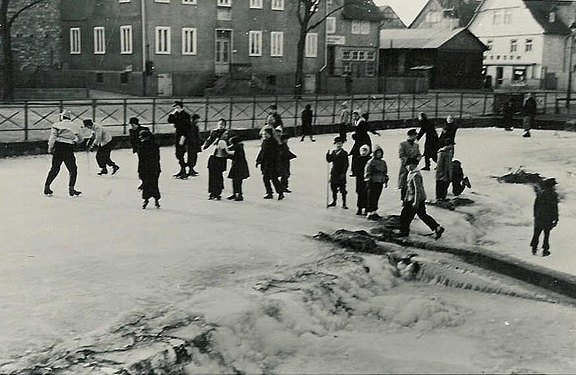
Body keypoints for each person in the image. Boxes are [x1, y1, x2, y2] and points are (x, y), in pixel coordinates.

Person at [398, 158, 445, 239]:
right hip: (414, 199)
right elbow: (408, 189)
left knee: (405, 215)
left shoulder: (416, 175)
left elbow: (417, 190)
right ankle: (437, 228)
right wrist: (405, 199)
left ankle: (404, 232)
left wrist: (415, 202)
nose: (407, 167)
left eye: (408, 165)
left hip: (415, 199)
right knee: (422, 215)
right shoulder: (411, 173)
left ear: (413, 165)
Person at [44, 110, 85, 197]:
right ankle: (71, 189)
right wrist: (76, 142)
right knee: (73, 169)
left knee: (55, 168)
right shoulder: (75, 126)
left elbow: (52, 138)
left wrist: (50, 148)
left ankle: (47, 187)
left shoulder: (56, 125)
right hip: (68, 148)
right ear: (70, 118)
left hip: (58, 147)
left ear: (62, 117)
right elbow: (81, 138)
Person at [530, 178, 559, 257]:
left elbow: (535, 206)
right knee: (546, 234)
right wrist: (556, 218)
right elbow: (555, 208)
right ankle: (545, 250)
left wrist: (535, 215)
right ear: (551, 186)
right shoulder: (554, 195)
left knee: (536, 233)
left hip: (539, 217)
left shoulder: (540, 194)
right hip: (548, 217)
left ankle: (534, 247)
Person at [203, 121, 229, 200]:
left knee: (218, 175)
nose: (221, 126)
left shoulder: (226, 133)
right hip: (213, 155)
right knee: (212, 175)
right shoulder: (214, 132)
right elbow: (209, 140)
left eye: (222, 125)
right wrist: (205, 146)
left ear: (225, 126)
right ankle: (211, 192)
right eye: (220, 124)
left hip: (221, 157)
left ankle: (218, 192)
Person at [256, 127, 285, 200]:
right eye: (263, 134)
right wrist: (258, 161)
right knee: (266, 178)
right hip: (266, 163)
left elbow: (275, 154)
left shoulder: (273, 142)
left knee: (274, 178)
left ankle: (280, 192)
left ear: (270, 134)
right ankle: (269, 192)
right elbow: (262, 152)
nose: (264, 135)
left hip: (272, 163)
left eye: (266, 134)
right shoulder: (265, 142)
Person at [350, 111, 380, 176]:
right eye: (353, 116)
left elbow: (368, 128)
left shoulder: (362, 122)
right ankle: (355, 170)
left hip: (363, 140)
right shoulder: (356, 122)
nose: (354, 117)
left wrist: (375, 133)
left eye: (356, 116)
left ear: (359, 116)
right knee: (356, 154)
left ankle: (362, 169)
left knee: (361, 154)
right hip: (359, 139)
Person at [137, 130, 161, 209]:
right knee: (154, 184)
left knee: (147, 185)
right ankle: (156, 199)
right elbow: (157, 158)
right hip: (155, 168)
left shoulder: (141, 147)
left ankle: (146, 199)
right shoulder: (155, 146)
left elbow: (141, 160)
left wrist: (139, 171)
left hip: (145, 169)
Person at [364, 145, 389, 221]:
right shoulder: (371, 162)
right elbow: (367, 172)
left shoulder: (383, 162)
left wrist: (385, 180)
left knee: (377, 197)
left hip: (380, 181)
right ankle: (369, 212)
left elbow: (385, 172)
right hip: (373, 181)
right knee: (371, 197)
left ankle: (374, 211)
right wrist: (368, 180)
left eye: (380, 153)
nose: (379, 154)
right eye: (377, 153)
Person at [167, 100, 191, 179]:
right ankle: (182, 169)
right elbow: (169, 121)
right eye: (175, 107)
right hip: (178, 134)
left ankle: (183, 170)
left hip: (183, 135)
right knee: (178, 153)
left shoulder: (186, 115)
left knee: (180, 153)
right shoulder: (176, 114)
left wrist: (183, 137)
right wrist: (172, 113)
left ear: (181, 107)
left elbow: (187, 127)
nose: (176, 108)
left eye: (177, 107)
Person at [398, 129, 422, 201]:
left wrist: (417, 159)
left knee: (413, 180)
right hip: (405, 166)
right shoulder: (402, 144)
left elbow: (419, 154)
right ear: (410, 136)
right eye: (415, 135)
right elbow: (401, 155)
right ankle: (403, 198)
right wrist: (408, 161)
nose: (416, 137)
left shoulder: (416, 145)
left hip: (414, 165)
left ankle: (412, 197)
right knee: (404, 181)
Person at [326, 136, 349, 209]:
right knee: (333, 188)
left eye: (340, 143)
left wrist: (343, 173)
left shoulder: (344, 153)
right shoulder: (333, 152)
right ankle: (334, 201)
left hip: (341, 173)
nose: (339, 145)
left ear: (342, 144)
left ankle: (344, 203)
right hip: (334, 172)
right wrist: (327, 155)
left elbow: (346, 164)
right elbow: (329, 160)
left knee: (343, 189)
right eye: (337, 144)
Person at [226, 136, 249, 201]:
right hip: (239, 166)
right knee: (235, 180)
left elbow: (235, 156)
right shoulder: (239, 147)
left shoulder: (238, 148)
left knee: (237, 181)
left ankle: (239, 195)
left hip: (239, 166)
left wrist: (227, 155)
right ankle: (236, 193)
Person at [352, 144, 371, 216]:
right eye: (363, 150)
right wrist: (356, 173)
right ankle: (359, 208)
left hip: (367, 179)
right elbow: (354, 168)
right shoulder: (357, 158)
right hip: (360, 178)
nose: (364, 152)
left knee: (367, 194)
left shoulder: (369, 159)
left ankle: (366, 208)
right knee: (359, 193)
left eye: (366, 150)